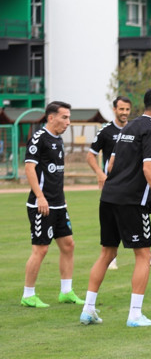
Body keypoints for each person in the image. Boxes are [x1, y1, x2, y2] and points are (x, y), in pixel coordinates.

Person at [79, 88, 151, 327]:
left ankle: (88, 310)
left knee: (107, 253)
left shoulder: (128, 127)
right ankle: (135, 315)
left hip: (109, 197)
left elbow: (111, 162)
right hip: (131, 201)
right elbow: (148, 168)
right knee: (144, 254)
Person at [86, 96, 151, 271]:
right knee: (114, 227)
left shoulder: (134, 128)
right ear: (114, 110)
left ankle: (145, 254)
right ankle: (113, 257)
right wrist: (100, 174)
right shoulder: (106, 131)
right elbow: (90, 155)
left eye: (127, 109)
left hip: (132, 187)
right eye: (121, 109)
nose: (124, 113)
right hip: (115, 186)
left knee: (136, 224)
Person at [21, 101, 84, 308]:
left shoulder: (58, 140)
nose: (68, 122)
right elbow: (30, 169)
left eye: (69, 117)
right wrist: (40, 197)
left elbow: (56, 173)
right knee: (41, 249)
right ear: (51, 117)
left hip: (58, 204)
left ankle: (66, 292)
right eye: (64, 117)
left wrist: (62, 198)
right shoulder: (39, 138)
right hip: (41, 205)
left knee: (68, 245)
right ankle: (28, 294)